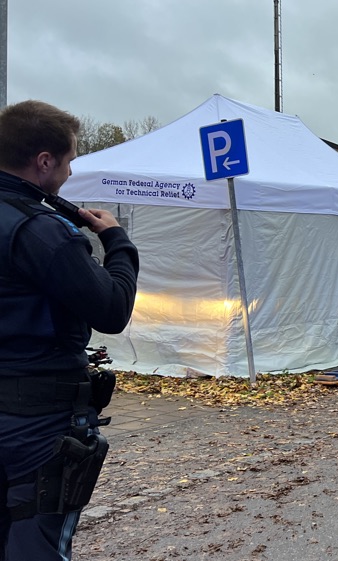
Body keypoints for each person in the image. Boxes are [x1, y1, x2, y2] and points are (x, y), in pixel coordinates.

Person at [0, 100, 140, 560]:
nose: (70, 171)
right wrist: (117, 241)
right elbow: (112, 310)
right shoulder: (41, 230)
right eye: (68, 160)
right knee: (33, 543)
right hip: (34, 420)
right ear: (44, 161)